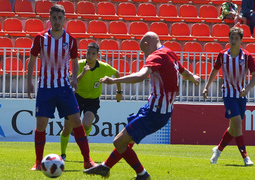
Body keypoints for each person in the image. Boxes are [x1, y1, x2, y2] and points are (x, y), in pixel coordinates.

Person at [83, 31, 200, 180]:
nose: (145, 55)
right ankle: (105, 167)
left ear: (146, 44)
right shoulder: (169, 53)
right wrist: (194, 77)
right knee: (126, 141)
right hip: (156, 109)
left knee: (119, 142)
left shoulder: (156, 56)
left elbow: (141, 76)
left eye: (143, 51)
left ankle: (142, 174)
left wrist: (114, 81)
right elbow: (183, 71)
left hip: (155, 113)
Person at [27, 4, 96, 171]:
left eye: (60, 18)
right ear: (49, 19)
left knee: (76, 122)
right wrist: (29, 81)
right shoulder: (40, 38)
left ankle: (87, 160)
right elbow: (32, 59)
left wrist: (74, 79)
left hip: (64, 87)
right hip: (45, 87)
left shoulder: (70, 40)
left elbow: (73, 62)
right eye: (54, 18)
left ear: (64, 19)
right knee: (41, 124)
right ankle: (37, 162)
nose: (57, 21)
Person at [202, 27, 255, 166]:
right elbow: (215, 71)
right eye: (231, 38)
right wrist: (206, 87)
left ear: (241, 41)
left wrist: (247, 89)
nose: (233, 41)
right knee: (238, 124)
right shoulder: (223, 55)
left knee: (233, 128)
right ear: (228, 39)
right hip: (228, 94)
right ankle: (246, 158)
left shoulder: (246, 56)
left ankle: (218, 150)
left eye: (236, 38)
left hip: (241, 95)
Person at [60, 42, 123, 161]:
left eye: (93, 54)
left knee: (87, 124)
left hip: (92, 100)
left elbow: (117, 74)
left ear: (97, 55)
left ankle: (85, 147)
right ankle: (63, 153)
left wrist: (119, 92)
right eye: (88, 53)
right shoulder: (79, 65)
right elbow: (72, 83)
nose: (89, 56)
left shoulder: (103, 67)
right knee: (67, 129)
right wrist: (83, 74)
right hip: (76, 97)